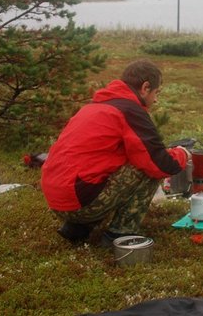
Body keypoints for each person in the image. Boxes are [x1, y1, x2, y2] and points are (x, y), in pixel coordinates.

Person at [41, 59, 191, 246]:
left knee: (119, 161)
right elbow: (159, 163)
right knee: (146, 167)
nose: (156, 99)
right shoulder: (130, 111)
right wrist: (182, 153)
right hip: (80, 201)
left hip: (56, 199)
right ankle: (120, 234)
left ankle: (77, 228)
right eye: (156, 92)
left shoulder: (93, 107)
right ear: (145, 88)